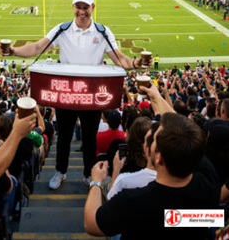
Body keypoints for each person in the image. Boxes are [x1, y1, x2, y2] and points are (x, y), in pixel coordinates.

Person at [0, 0, 151, 190]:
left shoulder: (103, 31)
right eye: (78, 7)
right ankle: (60, 171)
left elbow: (121, 59)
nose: (81, 12)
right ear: (73, 7)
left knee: (89, 138)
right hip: (67, 95)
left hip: (91, 96)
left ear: (93, 7)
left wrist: (136, 62)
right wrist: (13, 51)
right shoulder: (62, 29)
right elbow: (37, 47)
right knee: (64, 137)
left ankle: (89, 174)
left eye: (85, 7)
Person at [84, 82, 221, 240]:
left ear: (158, 157)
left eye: (152, 139)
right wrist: (157, 97)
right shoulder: (209, 182)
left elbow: (91, 224)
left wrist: (96, 182)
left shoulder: (133, 201)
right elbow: (188, 132)